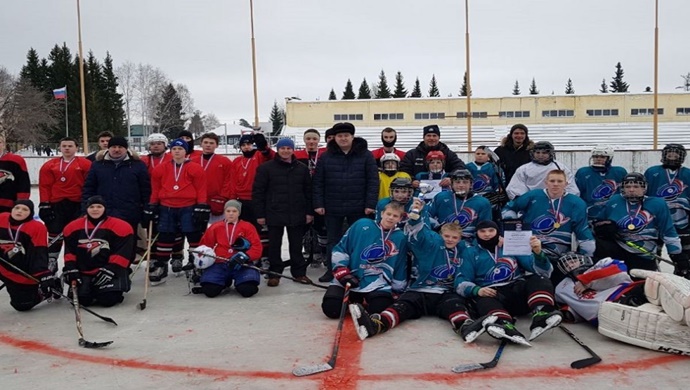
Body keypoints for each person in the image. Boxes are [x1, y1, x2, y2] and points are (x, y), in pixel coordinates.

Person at [349, 199, 475, 341]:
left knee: (455, 306)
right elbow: (420, 235)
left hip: (445, 292)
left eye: (454, 237)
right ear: (440, 235)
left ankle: (465, 326)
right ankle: (376, 324)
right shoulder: (430, 245)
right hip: (420, 290)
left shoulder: (465, 250)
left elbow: (479, 251)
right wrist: (416, 218)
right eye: (446, 236)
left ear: (460, 238)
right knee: (402, 307)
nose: (450, 240)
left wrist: (497, 240)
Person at [455, 220, 561, 345]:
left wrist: (538, 253)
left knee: (540, 279)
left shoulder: (510, 246)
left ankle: (541, 313)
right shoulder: (470, 252)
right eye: (482, 231)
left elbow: (543, 272)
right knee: (482, 301)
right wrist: (478, 290)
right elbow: (460, 281)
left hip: (516, 290)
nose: (487, 234)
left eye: (491, 230)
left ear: (497, 232)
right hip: (493, 293)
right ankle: (504, 324)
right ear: (476, 233)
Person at [313, 122, 379, 282]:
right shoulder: (326, 156)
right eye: (340, 136)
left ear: (352, 137)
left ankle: (357, 269)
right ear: (334, 138)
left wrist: (370, 204)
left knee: (358, 240)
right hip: (332, 205)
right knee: (333, 240)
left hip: (358, 206)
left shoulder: (366, 155)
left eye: (346, 135)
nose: (343, 138)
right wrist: (318, 203)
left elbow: (373, 181)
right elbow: (318, 182)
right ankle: (332, 269)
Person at [502, 169, 594, 285]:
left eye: (559, 181)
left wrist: (587, 252)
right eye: (552, 181)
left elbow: (582, 229)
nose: (555, 184)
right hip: (530, 244)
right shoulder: (532, 195)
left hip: (560, 250)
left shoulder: (577, 203)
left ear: (566, 184)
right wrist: (514, 224)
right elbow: (508, 209)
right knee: (538, 269)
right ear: (546, 182)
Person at [322, 202, 408, 319]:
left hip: (377, 282)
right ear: (382, 214)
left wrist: (398, 289)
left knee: (378, 310)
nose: (390, 218)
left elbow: (400, 263)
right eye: (388, 214)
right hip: (350, 277)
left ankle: (363, 300)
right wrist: (342, 272)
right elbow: (341, 248)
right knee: (331, 309)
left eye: (395, 216)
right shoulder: (362, 225)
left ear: (400, 218)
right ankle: (354, 299)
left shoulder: (400, 237)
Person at [593, 172, 685, 275]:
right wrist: (603, 227)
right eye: (628, 186)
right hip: (619, 248)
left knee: (639, 288)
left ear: (644, 188)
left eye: (636, 186)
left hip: (644, 253)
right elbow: (597, 222)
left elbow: (668, 231)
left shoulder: (657, 204)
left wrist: (677, 255)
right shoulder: (615, 201)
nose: (631, 190)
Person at [146, 139, 209, 282]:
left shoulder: (195, 168)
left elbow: (201, 188)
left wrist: (201, 205)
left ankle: (195, 264)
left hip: (188, 206)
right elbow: (156, 189)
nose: (177, 151)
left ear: (185, 151)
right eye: (174, 149)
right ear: (171, 151)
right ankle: (161, 266)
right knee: (165, 236)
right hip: (166, 206)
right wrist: (152, 204)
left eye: (180, 149)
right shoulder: (161, 168)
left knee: (193, 235)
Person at [253, 138, 313, 286]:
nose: (285, 151)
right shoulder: (266, 168)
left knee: (296, 245)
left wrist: (309, 212)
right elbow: (258, 192)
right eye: (282, 148)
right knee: (274, 245)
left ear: (293, 149)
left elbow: (308, 192)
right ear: (278, 149)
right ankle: (275, 273)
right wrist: (260, 214)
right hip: (274, 212)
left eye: (288, 148)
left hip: (297, 211)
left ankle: (299, 273)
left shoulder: (302, 168)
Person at [61, 196, 135, 307]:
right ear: (86, 209)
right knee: (83, 300)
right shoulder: (72, 227)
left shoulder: (120, 226)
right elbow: (69, 251)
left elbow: (123, 252)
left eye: (99, 206)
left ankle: (112, 287)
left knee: (108, 300)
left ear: (105, 208)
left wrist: (111, 269)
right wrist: (71, 268)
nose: (95, 209)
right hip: (84, 271)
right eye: (92, 207)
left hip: (109, 270)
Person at [38, 137, 92, 273]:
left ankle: (74, 262)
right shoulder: (50, 165)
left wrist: (87, 205)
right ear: (60, 148)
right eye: (64, 146)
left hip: (76, 204)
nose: (67, 148)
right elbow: (45, 186)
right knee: (55, 232)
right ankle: (51, 260)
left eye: (70, 146)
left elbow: (89, 185)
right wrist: (44, 204)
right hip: (57, 204)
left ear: (76, 148)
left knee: (75, 234)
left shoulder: (85, 164)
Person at [81, 136, 150, 236]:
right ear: (108, 148)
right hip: (104, 212)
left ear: (126, 149)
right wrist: (85, 209)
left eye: (120, 147)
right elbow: (89, 188)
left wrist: (146, 208)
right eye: (113, 147)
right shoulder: (97, 165)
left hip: (130, 212)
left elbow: (145, 189)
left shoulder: (138, 165)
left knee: (128, 243)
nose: (117, 150)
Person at [193, 200, 263, 298]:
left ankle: (240, 282)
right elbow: (205, 246)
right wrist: (202, 256)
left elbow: (257, 248)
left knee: (248, 290)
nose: (231, 214)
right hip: (220, 263)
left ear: (239, 212)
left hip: (241, 264)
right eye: (228, 211)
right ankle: (224, 281)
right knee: (210, 291)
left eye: (234, 211)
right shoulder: (215, 227)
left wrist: (245, 256)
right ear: (224, 212)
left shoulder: (248, 227)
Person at [0, 200, 61, 311]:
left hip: (21, 269)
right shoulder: (2, 218)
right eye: (17, 208)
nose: (19, 211)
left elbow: (38, 253)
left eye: (25, 209)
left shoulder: (36, 227)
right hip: (3, 264)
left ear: (31, 213)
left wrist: (42, 273)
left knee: (22, 305)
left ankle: (47, 288)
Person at [554, 253, 645, 324]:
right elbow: (571, 308)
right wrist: (567, 313)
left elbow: (620, 269)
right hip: (603, 314)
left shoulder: (600, 264)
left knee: (650, 286)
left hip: (624, 293)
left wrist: (587, 281)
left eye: (573, 261)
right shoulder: (562, 287)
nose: (570, 266)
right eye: (566, 265)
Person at [644, 144, 690, 276]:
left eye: (676, 154)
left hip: (682, 223)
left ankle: (683, 281)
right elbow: (644, 195)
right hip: (655, 222)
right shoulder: (652, 172)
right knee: (651, 257)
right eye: (669, 153)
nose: (672, 156)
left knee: (684, 260)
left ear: (682, 156)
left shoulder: (688, 173)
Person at [427, 169, 492, 242]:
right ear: (452, 184)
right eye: (457, 182)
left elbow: (485, 228)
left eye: (465, 182)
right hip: (443, 240)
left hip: (468, 242)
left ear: (471, 184)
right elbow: (426, 216)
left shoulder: (483, 202)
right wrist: (437, 228)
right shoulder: (441, 197)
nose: (461, 185)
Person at [294, 129, 327, 268]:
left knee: (321, 227)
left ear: (319, 140)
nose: (311, 142)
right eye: (308, 139)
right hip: (302, 196)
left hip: (321, 195)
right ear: (304, 140)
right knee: (302, 226)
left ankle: (323, 253)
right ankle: (305, 253)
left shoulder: (325, 155)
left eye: (314, 139)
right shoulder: (297, 155)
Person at [506, 141, 579, 199]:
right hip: (532, 202)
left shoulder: (560, 168)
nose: (540, 155)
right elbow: (515, 188)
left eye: (544, 153)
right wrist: (527, 200)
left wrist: (563, 199)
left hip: (557, 201)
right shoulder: (524, 169)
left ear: (551, 154)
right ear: (533, 153)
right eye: (537, 152)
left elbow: (571, 188)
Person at [575, 145, 627, 221]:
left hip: (614, 214)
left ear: (609, 158)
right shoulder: (583, 172)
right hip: (590, 214)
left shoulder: (619, 172)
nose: (598, 159)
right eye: (595, 156)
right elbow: (577, 194)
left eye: (602, 157)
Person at [400, 124, 465, 185]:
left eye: (434, 135)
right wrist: (412, 180)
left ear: (439, 137)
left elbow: (460, 167)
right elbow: (404, 170)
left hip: (443, 189)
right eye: (428, 135)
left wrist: (451, 178)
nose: (431, 138)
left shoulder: (447, 153)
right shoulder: (412, 154)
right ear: (423, 137)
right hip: (418, 190)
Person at [191, 133, 233, 225]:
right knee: (198, 230)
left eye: (211, 143)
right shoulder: (192, 161)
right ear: (201, 144)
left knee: (217, 229)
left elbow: (229, 180)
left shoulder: (224, 161)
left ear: (216, 145)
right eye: (205, 142)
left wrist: (223, 197)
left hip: (217, 201)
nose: (208, 145)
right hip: (196, 200)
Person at [466, 146, 508, 222]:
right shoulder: (467, 167)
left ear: (488, 155)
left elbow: (500, 186)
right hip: (471, 197)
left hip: (490, 199)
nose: (480, 155)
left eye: (483, 153)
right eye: (478, 153)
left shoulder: (494, 167)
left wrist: (494, 196)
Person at [0, 135, 30, 213]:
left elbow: (23, 183)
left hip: (9, 206)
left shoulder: (16, 160)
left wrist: (21, 203)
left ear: (3, 144)